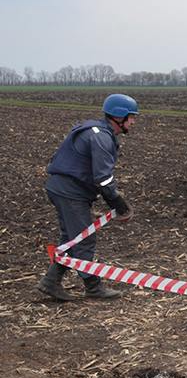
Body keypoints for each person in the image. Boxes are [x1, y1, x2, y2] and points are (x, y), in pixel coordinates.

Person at [37, 93, 138, 301]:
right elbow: (103, 178)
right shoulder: (100, 137)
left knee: (72, 239)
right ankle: (93, 287)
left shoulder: (95, 130)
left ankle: (51, 281)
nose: (133, 121)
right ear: (120, 117)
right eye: (131, 117)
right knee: (84, 239)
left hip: (62, 188)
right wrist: (118, 203)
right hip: (69, 192)